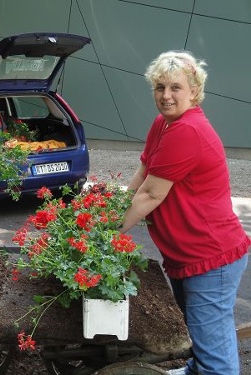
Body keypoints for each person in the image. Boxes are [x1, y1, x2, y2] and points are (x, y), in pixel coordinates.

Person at [120, 51, 250, 375]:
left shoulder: (187, 130)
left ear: (193, 90)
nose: (166, 96)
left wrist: (103, 231)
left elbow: (150, 194)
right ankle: (196, 369)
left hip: (210, 256)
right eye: (159, 87)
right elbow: (142, 176)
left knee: (216, 357)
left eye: (175, 87)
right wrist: (109, 208)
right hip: (188, 255)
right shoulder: (163, 124)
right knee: (205, 335)